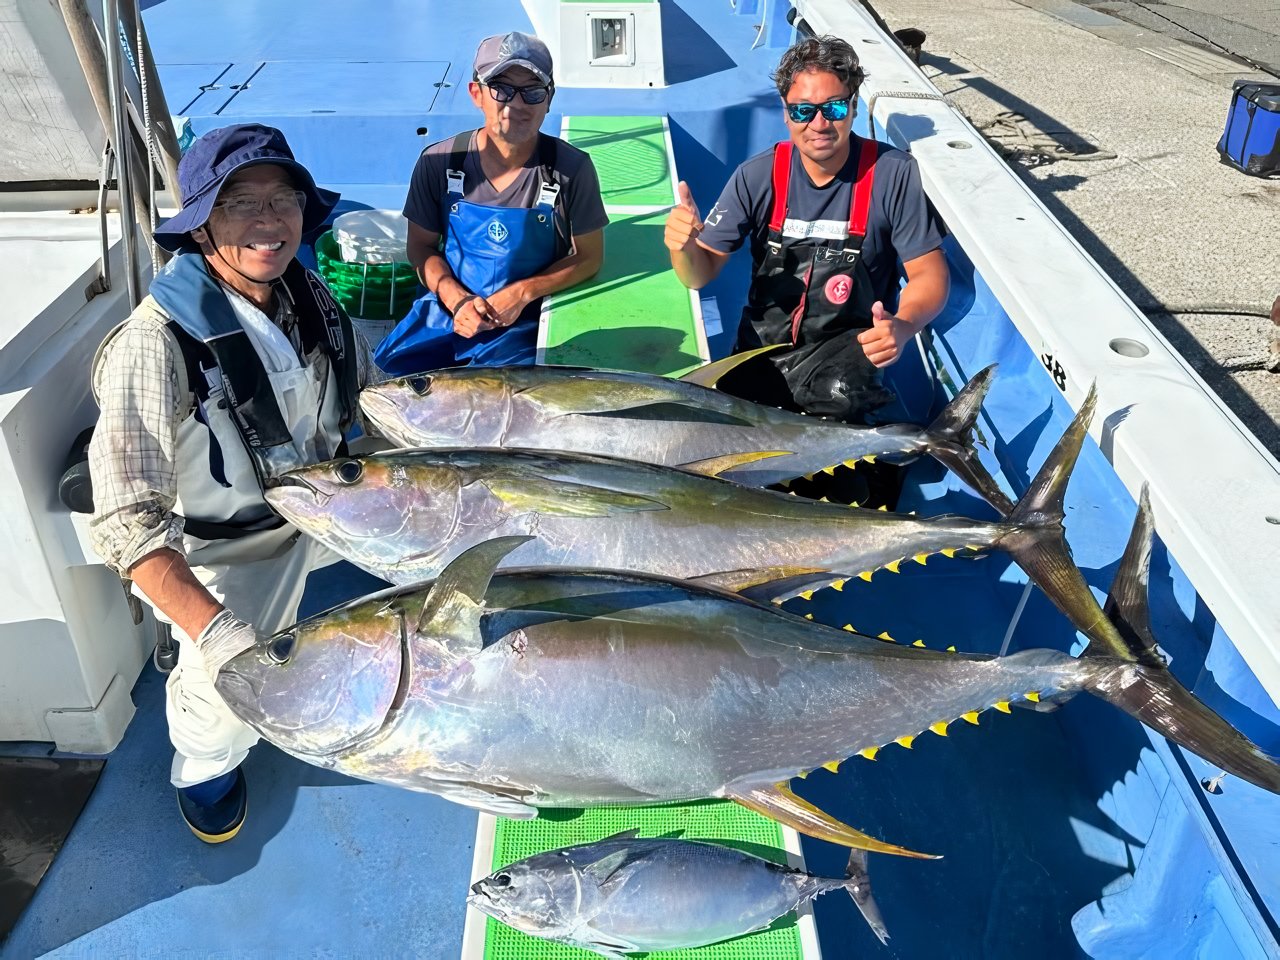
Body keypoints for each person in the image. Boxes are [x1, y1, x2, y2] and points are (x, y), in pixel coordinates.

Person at [88, 123, 380, 843]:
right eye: (238, 202)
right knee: (225, 701)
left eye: (283, 201)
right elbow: (129, 524)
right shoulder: (153, 347)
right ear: (199, 225)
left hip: (320, 504)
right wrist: (216, 633)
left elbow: (371, 398)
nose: (268, 222)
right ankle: (203, 765)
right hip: (228, 551)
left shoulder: (305, 293)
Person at [664, 35, 950, 425]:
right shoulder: (757, 175)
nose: (819, 124)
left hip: (845, 363)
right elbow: (699, 274)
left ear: (852, 107)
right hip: (760, 353)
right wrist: (683, 247)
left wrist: (902, 325)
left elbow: (928, 275)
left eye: (833, 107)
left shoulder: (892, 174)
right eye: (803, 111)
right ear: (785, 112)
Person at [375, 31, 608, 375]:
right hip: (447, 310)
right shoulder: (438, 162)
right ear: (476, 94)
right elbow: (421, 249)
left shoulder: (571, 169)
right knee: (383, 378)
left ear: (548, 100)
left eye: (532, 91)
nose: (515, 104)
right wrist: (458, 300)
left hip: (526, 322)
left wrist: (523, 293)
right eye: (501, 89)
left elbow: (589, 257)